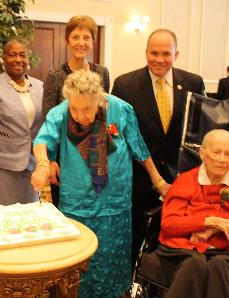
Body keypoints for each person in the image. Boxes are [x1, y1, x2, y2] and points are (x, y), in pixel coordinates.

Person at [31, 70, 168, 298]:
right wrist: (43, 165)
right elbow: (42, 140)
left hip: (115, 203)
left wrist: (158, 180)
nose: (80, 115)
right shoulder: (61, 113)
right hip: (78, 203)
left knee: (111, 259)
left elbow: (139, 148)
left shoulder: (120, 109)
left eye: (87, 109)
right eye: (74, 108)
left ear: (100, 99)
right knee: (80, 261)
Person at [138, 129, 229, 298]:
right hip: (183, 248)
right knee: (194, 264)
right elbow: (169, 224)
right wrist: (209, 221)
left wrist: (220, 227)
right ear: (202, 154)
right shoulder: (185, 181)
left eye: (228, 154)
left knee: (218, 266)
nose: (222, 159)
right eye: (216, 152)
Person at [111, 28, 205, 262]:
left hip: (180, 176)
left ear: (177, 54)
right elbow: (115, 135)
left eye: (166, 53)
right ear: (146, 53)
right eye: (154, 53)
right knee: (137, 234)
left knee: (176, 232)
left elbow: (199, 129)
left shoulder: (193, 82)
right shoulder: (125, 84)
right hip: (138, 177)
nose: (159, 59)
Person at [41, 15, 110, 206]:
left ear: (93, 41)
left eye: (86, 38)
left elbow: (105, 113)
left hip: (95, 155)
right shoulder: (55, 75)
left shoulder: (102, 73)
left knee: (95, 205)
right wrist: (51, 159)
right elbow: (47, 119)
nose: (81, 43)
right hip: (64, 156)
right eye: (75, 37)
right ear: (67, 41)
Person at [0, 39, 43, 206]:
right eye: (12, 55)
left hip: (31, 165)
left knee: (28, 218)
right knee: (2, 218)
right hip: (0, 166)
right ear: (3, 59)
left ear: (28, 59)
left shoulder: (40, 86)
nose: (18, 59)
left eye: (22, 55)